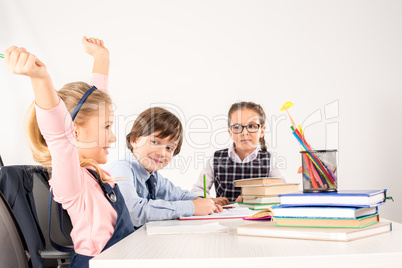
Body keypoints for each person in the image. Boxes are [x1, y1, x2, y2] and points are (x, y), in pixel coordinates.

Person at [5, 37, 134, 268]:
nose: (113, 137)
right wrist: (40, 78)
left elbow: (93, 107)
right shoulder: (73, 183)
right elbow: (59, 136)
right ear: (74, 131)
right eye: (107, 127)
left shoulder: (94, 174)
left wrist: (102, 59)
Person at [106, 107, 223, 228]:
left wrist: (201, 200)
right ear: (134, 140)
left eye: (169, 148)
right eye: (155, 142)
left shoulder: (153, 177)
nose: (162, 153)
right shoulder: (121, 168)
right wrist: (192, 207)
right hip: (120, 245)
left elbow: (179, 195)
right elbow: (133, 212)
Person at [191, 101, 285, 205]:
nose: (244, 133)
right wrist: (209, 200)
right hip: (224, 218)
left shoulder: (269, 160)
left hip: (257, 217)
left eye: (252, 126)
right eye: (237, 127)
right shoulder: (216, 158)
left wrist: (254, 197)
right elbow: (197, 190)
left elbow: (282, 191)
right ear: (230, 132)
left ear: (261, 131)